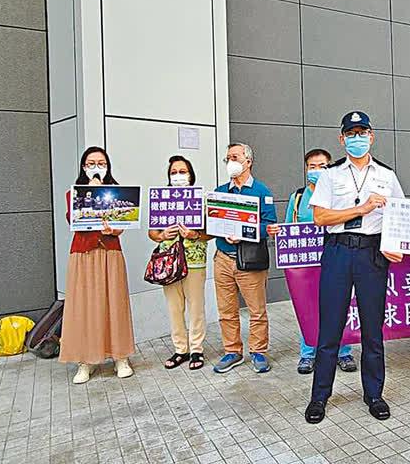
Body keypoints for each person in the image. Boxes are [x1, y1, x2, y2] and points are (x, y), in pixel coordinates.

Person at [304, 111, 410, 424]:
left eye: (362, 133)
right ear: (341, 138)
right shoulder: (330, 175)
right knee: (330, 327)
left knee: (373, 328)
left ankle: (374, 394)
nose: (357, 139)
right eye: (351, 134)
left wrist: (396, 244)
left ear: (371, 136)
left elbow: (400, 215)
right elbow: (320, 217)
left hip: (372, 253)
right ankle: (320, 396)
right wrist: (361, 208)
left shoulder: (386, 175)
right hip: (338, 251)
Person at [267, 149, 357, 375]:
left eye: (322, 166)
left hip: (336, 259)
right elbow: (288, 227)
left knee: (340, 305)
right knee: (307, 306)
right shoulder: (298, 197)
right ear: (306, 169)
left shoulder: (339, 195)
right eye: (312, 166)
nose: (317, 171)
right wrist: (277, 231)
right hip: (306, 265)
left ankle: (343, 352)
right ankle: (308, 353)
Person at [59, 147, 135, 384]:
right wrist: (91, 189)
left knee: (115, 303)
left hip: (110, 252)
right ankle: (85, 360)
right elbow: (73, 220)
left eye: (101, 163)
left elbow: (122, 225)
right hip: (83, 253)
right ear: (83, 167)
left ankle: (120, 357)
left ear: (107, 166)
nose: (96, 167)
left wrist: (114, 229)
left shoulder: (118, 193)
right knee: (84, 305)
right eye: (91, 163)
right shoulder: (73, 194)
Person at [212, 143, 277, 374]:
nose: (230, 162)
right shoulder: (220, 191)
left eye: (235, 157)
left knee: (256, 310)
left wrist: (244, 233)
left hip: (250, 260)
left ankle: (259, 351)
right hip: (222, 258)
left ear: (248, 161)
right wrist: (222, 233)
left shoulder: (261, 191)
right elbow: (213, 222)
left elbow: (269, 225)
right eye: (228, 158)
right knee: (226, 310)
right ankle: (232, 351)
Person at [148, 156, 211, 371]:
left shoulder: (202, 200)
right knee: (174, 308)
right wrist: (161, 235)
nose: (178, 176)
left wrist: (195, 234)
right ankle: (180, 349)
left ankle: (196, 349)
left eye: (182, 172)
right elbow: (152, 232)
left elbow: (211, 232)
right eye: (173, 173)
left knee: (196, 307)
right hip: (168, 262)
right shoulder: (161, 200)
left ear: (191, 175)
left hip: (194, 261)